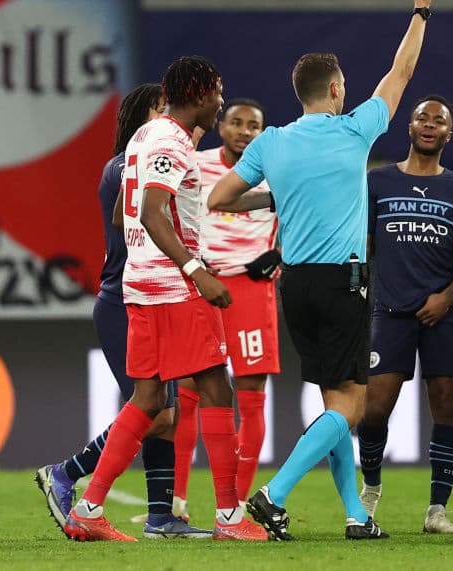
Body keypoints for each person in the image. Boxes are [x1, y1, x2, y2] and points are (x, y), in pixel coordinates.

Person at [208, 0, 438, 541]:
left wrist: (275, 197)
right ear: (335, 90)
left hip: (294, 285)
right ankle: (273, 494)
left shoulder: (272, 142)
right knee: (351, 408)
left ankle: (357, 516)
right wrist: (420, 11)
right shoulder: (354, 130)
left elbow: (219, 199)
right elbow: (401, 72)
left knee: (334, 405)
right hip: (343, 283)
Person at [63, 56, 266, 542]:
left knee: (149, 397)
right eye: (218, 93)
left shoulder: (143, 136)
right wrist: (196, 270)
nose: (220, 102)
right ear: (199, 94)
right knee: (217, 388)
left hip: (139, 285)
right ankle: (229, 518)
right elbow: (153, 212)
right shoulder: (173, 141)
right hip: (177, 288)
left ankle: (88, 509)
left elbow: (123, 213)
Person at [35, 85, 211, 540]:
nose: (169, 116)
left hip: (147, 296)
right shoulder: (124, 165)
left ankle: (160, 518)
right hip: (124, 300)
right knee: (154, 410)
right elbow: (136, 215)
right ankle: (66, 473)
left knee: (165, 413)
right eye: (161, 109)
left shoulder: (140, 161)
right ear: (143, 116)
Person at [357, 94, 453, 534]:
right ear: (409, 127)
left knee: (446, 407)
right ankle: (370, 490)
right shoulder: (377, 182)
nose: (430, 124)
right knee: (374, 410)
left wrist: (446, 297)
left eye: (439, 120)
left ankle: (437, 510)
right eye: (422, 118)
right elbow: (363, 246)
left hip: (442, 314)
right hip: (390, 312)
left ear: (449, 134)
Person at [172, 98, 282, 520]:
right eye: (236, 122)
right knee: (187, 394)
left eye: (253, 125)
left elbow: (306, 214)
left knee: (251, 400)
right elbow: (171, 211)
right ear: (221, 126)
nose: (244, 131)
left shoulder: (276, 173)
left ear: (262, 133)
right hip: (202, 285)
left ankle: (234, 504)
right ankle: (177, 502)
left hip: (251, 290)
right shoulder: (197, 164)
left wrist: (282, 255)